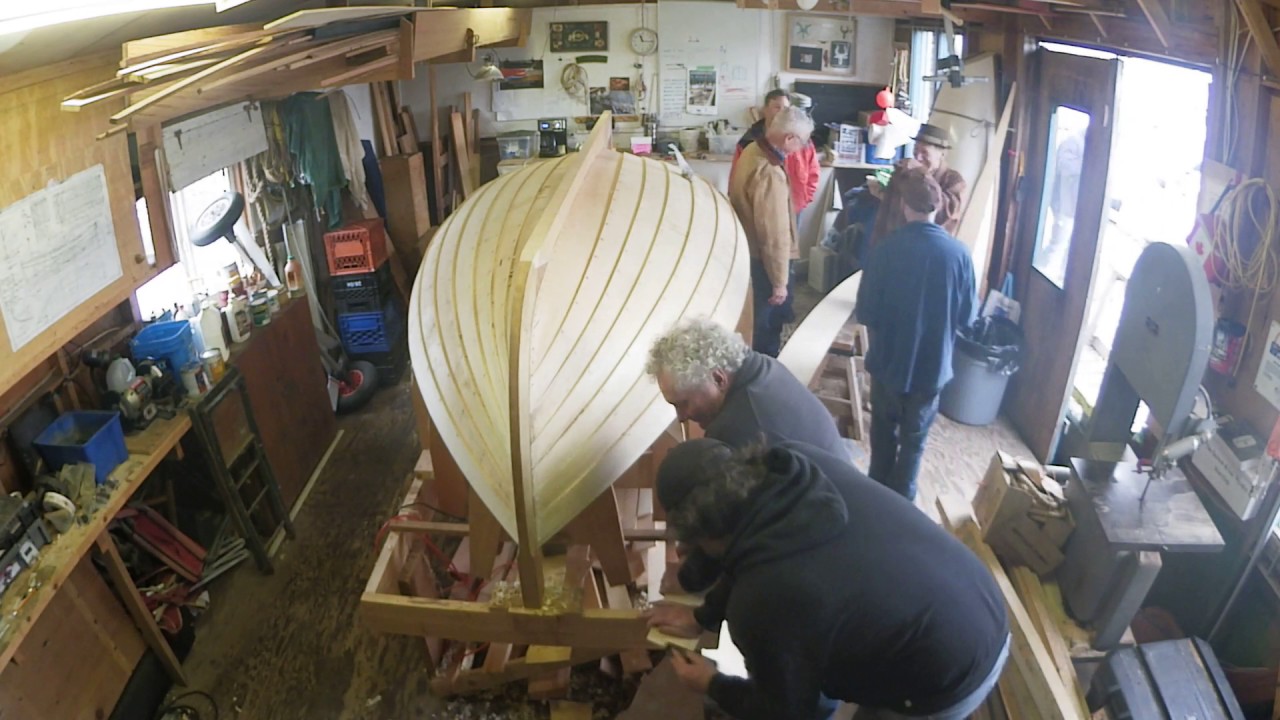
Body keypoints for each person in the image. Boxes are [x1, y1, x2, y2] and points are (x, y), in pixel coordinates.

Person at [646, 439, 1010, 720]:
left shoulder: (761, 603)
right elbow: (747, 552)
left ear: (702, 534)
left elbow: (789, 712)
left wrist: (712, 683)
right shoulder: (791, 466)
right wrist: (703, 616)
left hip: (951, 672)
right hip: (977, 594)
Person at [647, 317, 847, 596]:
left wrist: (687, 580)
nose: (681, 417)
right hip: (835, 503)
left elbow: (737, 530)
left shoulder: (737, 428)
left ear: (718, 379)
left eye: (684, 403)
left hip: (827, 546)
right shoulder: (762, 367)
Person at [856, 169, 976, 501]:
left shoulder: (884, 250)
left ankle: (875, 500)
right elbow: (967, 318)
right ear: (938, 207)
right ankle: (903, 505)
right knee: (914, 443)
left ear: (904, 206)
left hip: (888, 362)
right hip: (932, 368)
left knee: (882, 438)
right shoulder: (960, 255)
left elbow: (865, 312)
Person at [729, 106, 815, 357]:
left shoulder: (752, 151)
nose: (802, 148)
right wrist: (779, 282)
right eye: (802, 142)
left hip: (749, 254)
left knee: (753, 324)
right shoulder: (769, 172)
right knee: (766, 329)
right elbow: (773, 236)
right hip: (763, 264)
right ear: (789, 138)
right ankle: (764, 371)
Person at [868, 123, 967, 245]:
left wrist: (921, 174)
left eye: (925, 152)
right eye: (915, 150)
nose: (918, 157)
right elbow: (885, 213)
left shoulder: (954, 181)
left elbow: (940, 212)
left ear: (942, 154)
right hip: (894, 245)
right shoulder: (904, 173)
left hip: (927, 248)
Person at [731, 89, 822, 214]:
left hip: (795, 207)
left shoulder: (801, 138)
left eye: (785, 108)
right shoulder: (748, 141)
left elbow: (813, 173)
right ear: (765, 110)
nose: (781, 111)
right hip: (761, 210)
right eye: (777, 107)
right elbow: (736, 178)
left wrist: (803, 200)